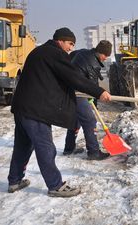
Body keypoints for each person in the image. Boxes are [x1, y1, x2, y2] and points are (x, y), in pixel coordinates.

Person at [7, 27, 111, 198]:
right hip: (35, 109)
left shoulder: (39, 52)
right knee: (46, 147)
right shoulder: (55, 54)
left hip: (22, 107)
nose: (71, 48)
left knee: (22, 145)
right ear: (60, 40)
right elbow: (74, 78)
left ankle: (15, 180)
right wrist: (99, 92)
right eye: (70, 43)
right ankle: (55, 185)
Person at [63, 40, 112, 160]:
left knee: (76, 119)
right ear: (100, 52)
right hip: (78, 92)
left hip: (70, 89)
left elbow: (70, 57)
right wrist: (94, 100)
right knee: (90, 120)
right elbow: (91, 85)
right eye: (105, 55)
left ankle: (68, 149)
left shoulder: (83, 52)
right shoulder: (93, 63)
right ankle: (94, 152)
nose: (105, 58)